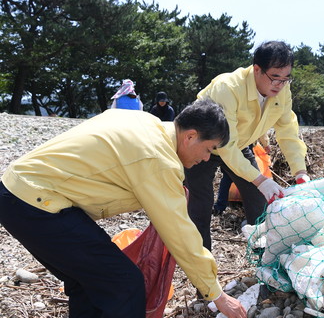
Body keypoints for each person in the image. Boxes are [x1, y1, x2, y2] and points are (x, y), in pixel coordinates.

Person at [0, 99, 246, 318]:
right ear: (191, 136)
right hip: (36, 202)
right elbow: (180, 234)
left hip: (18, 190)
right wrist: (217, 295)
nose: (206, 159)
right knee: (124, 284)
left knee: (88, 281)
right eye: (209, 149)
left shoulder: (147, 123)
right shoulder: (158, 158)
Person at [184, 40, 310, 250]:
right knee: (201, 203)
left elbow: (288, 131)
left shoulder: (283, 91)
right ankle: (202, 265)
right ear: (257, 69)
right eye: (275, 78)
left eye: (286, 78)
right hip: (203, 143)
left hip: (239, 144)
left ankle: (265, 256)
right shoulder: (228, 87)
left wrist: (300, 172)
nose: (279, 85)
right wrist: (260, 179)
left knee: (257, 198)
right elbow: (225, 144)